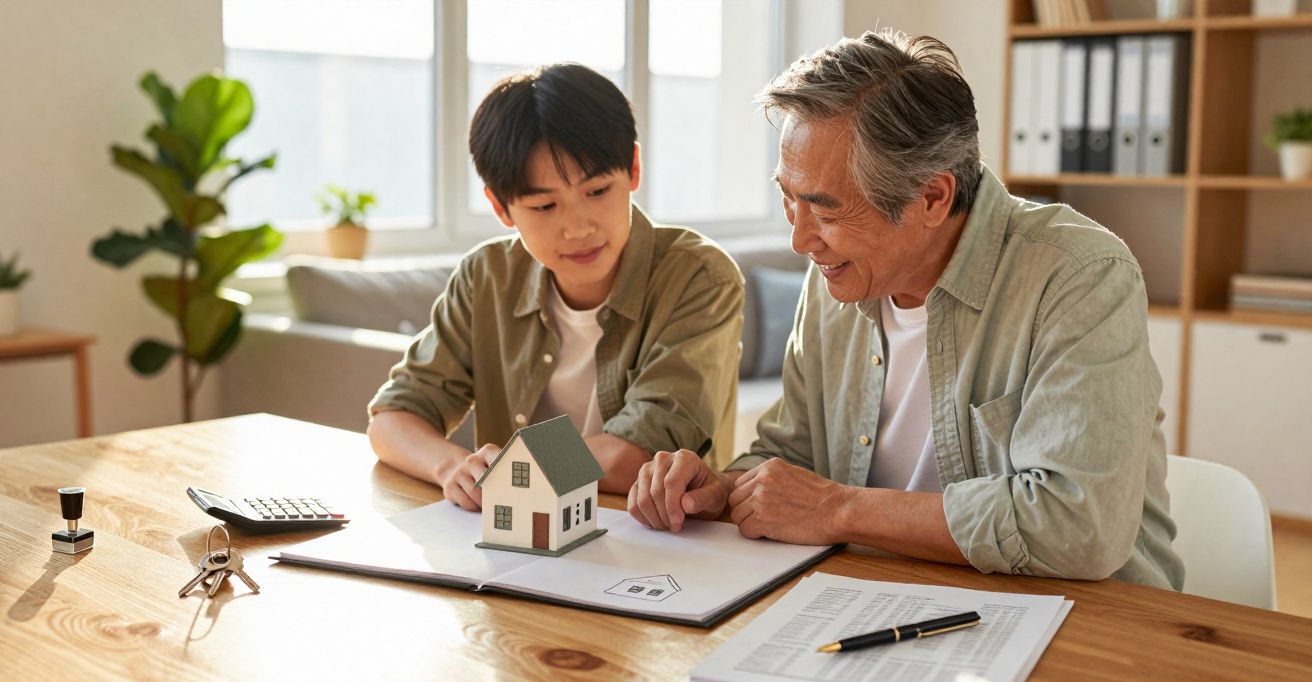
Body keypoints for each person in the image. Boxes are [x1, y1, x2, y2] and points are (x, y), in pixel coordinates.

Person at [627, 30, 1185, 590]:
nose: (799, 240)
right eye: (788, 198)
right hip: (882, 600)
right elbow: (793, 454)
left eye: (824, 209)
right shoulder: (836, 279)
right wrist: (724, 490)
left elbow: (1077, 526)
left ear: (933, 198)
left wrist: (841, 510)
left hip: (1084, 621)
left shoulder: (1079, 276)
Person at [369, 63, 743, 512]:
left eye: (598, 191)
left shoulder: (699, 277)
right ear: (501, 207)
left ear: (633, 169)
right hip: (522, 536)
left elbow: (636, 455)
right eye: (545, 205)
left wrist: (510, 471)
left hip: (657, 538)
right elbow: (391, 419)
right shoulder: (486, 276)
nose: (578, 228)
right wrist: (451, 466)